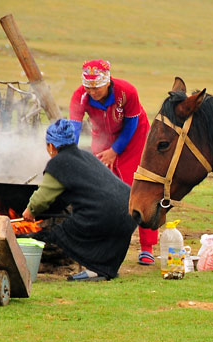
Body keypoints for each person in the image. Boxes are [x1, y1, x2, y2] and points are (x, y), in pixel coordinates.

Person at [21, 119, 137, 281]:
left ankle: (96, 269)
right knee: (91, 226)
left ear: (51, 146)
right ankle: (102, 269)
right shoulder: (86, 156)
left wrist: (30, 211)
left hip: (105, 213)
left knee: (59, 233)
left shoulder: (58, 163)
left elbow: (42, 198)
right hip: (130, 209)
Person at [69, 59, 157, 265]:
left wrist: (115, 151)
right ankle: (103, 241)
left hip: (134, 137)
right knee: (102, 188)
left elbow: (131, 123)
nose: (92, 91)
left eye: (96, 87)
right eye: (88, 87)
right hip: (103, 137)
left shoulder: (127, 92)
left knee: (137, 188)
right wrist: (70, 154)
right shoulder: (80, 96)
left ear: (107, 82)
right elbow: (74, 126)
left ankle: (147, 247)